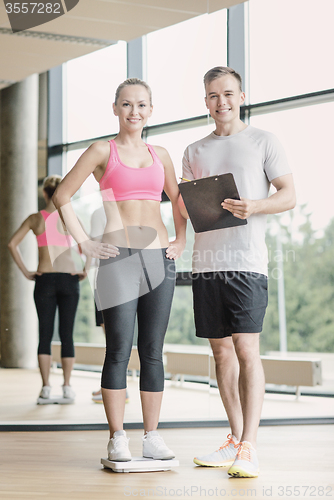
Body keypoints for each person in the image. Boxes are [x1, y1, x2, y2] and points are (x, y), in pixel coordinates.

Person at [52, 78, 186, 462]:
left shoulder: (161, 154)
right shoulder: (101, 151)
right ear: (115, 109)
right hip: (118, 260)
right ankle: (117, 436)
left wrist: (181, 239)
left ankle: (152, 436)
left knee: (153, 352)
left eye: (142, 105)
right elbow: (62, 195)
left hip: (159, 257)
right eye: (126, 105)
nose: (134, 112)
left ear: (150, 110)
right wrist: (84, 242)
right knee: (118, 350)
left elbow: (178, 200)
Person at [178, 66, 296, 478]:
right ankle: (233, 439)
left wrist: (255, 205)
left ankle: (250, 446)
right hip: (206, 262)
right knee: (220, 351)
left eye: (228, 93)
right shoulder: (193, 150)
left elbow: (289, 195)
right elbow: (190, 206)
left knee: (246, 348)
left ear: (241, 96)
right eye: (213, 95)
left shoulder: (264, 141)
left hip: (247, 262)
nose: (221, 102)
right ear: (205, 101)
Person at [8, 175, 88, 402]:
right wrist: (85, 268)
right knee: (67, 335)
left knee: (44, 334)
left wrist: (26, 272)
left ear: (44, 193)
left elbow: (11, 243)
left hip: (44, 279)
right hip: (68, 279)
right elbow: (87, 245)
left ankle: (45, 388)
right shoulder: (69, 217)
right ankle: (67, 387)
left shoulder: (36, 218)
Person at [89, 207, 129, 405]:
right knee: (125, 339)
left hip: (107, 277)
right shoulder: (131, 208)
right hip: (132, 277)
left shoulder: (99, 213)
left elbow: (93, 246)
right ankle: (123, 386)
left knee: (113, 343)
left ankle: (120, 387)